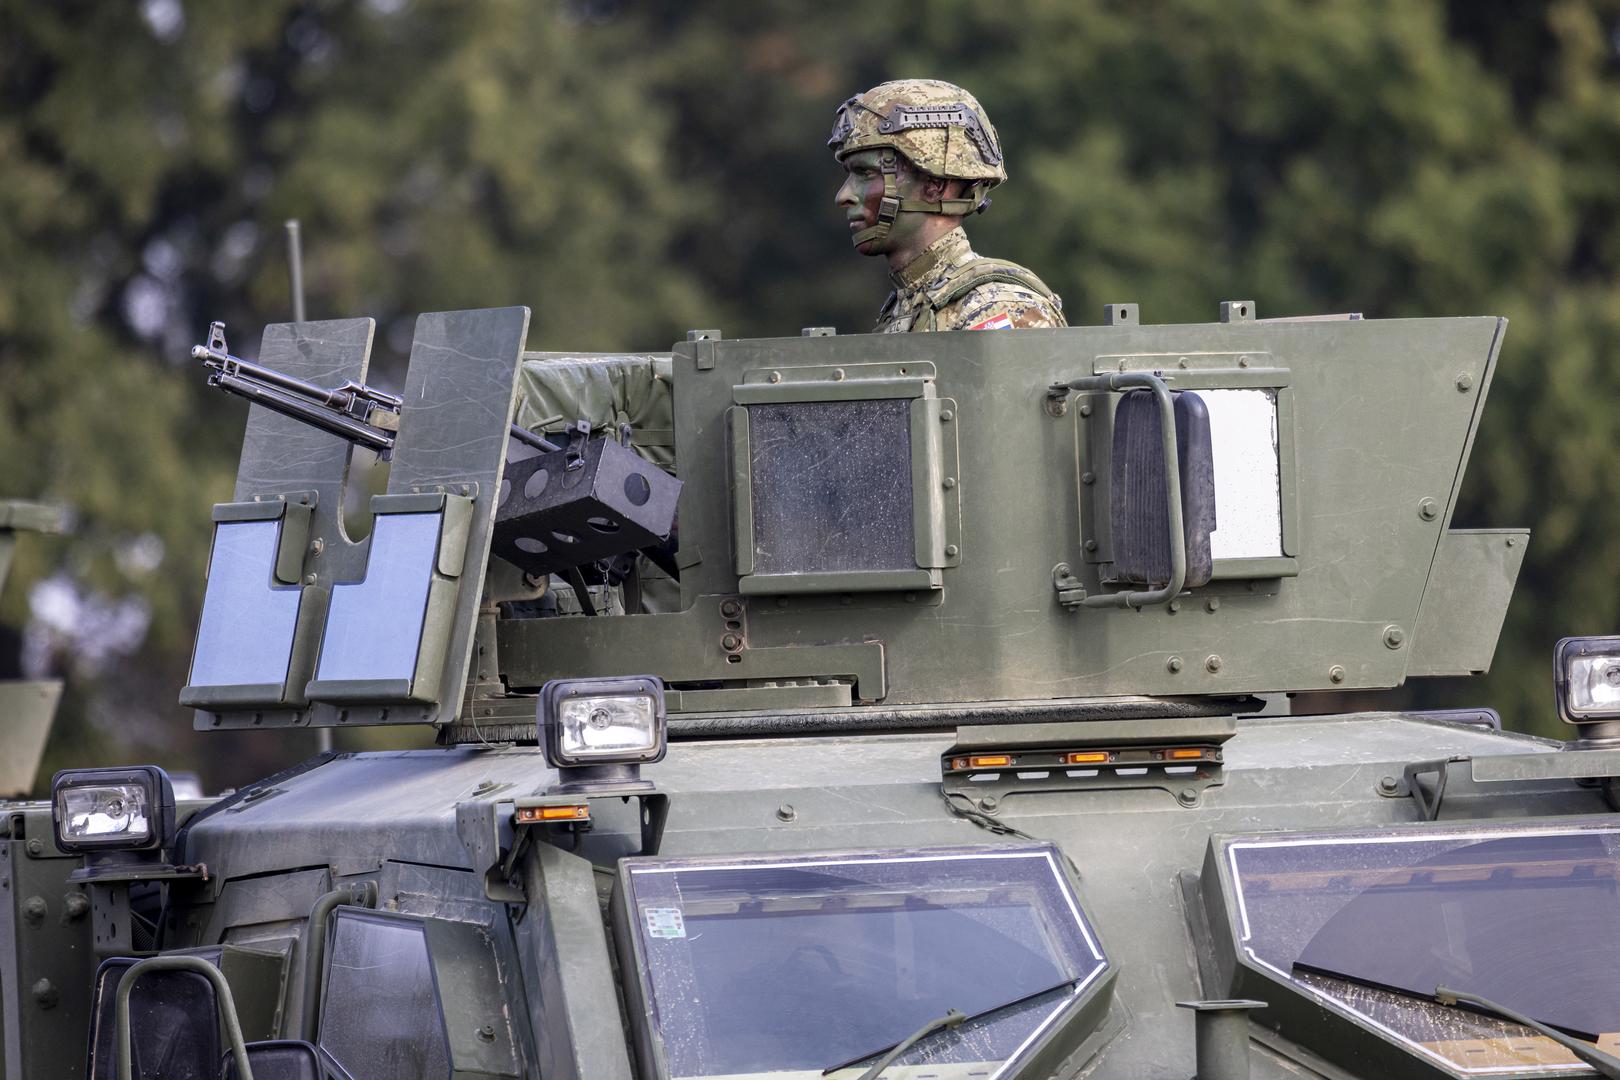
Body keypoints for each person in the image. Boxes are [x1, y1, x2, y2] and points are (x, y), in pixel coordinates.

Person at [829, 79, 1065, 334]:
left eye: (865, 173)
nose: (843, 196)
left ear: (934, 186)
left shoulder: (997, 307)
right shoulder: (908, 308)